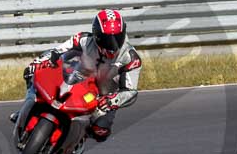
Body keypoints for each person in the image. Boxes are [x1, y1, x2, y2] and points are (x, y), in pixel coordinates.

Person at [11, 9, 142, 142]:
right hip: (77, 79)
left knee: (101, 130)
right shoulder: (83, 39)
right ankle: (25, 110)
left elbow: (131, 92)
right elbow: (56, 51)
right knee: (32, 74)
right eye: (106, 39)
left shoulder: (131, 59)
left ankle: (78, 138)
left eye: (117, 37)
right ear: (96, 35)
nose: (112, 44)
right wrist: (38, 63)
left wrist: (112, 100)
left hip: (103, 97)